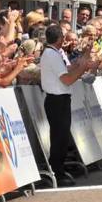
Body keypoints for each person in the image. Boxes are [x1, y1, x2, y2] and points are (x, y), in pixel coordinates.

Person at [40, 25, 92, 186]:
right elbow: (67, 79)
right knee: (59, 137)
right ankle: (57, 171)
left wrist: (85, 55)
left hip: (60, 99)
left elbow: (69, 68)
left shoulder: (55, 53)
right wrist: (82, 68)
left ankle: (59, 168)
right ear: (60, 39)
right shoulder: (51, 55)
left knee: (61, 136)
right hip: (56, 99)